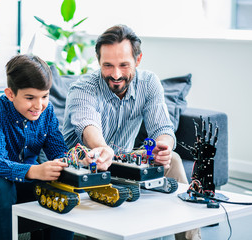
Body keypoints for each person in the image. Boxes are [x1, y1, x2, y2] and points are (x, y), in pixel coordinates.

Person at [63, 25, 200, 240]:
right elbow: (88, 125)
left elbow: (162, 129)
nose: (116, 74)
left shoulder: (149, 83)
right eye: (107, 65)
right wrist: (102, 149)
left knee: (172, 159)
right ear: (98, 61)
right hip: (86, 165)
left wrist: (163, 147)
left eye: (123, 65)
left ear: (138, 60)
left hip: (122, 161)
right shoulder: (83, 88)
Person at [0, 54, 74, 240]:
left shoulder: (47, 111)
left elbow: (59, 153)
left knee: (62, 182)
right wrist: (35, 171)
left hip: (25, 179)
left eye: (44, 96)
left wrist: (74, 161)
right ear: (10, 94)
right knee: (2, 186)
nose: (39, 105)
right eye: (30, 98)